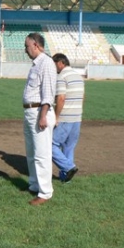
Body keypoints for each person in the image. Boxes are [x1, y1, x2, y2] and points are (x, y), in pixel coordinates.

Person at [23, 33, 57, 206]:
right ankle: (34, 184)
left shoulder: (47, 63)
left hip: (39, 112)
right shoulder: (36, 65)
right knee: (31, 153)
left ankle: (45, 192)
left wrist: (43, 115)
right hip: (30, 112)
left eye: (27, 46)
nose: (25, 50)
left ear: (35, 45)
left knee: (42, 154)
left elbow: (48, 93)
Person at [52, 53, 84, 183]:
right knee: (69, 147)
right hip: (77, 117)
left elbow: (61, 98)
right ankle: (66, 178)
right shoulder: (79, 76)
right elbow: (83, 97)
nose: (54, 68)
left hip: (65, 117)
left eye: (54, 64)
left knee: (50, 144)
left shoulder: (62, 76)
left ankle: (69, 167)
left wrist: (56, 116)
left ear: (60, 63)